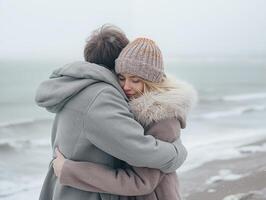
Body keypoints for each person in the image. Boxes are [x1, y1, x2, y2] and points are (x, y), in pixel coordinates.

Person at [35, 25, 188, 200]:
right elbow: (141, 151)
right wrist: (178, 152)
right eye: (122, 77)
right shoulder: (102, 96)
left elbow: (142, 174)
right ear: (118, 62)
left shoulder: (74, 87)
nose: (126, 86)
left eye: (135, 79)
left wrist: (67, 170)